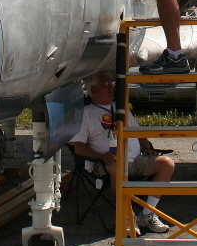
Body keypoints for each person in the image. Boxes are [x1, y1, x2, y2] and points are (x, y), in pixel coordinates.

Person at [69, 74, 175, 234]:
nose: (111, 88)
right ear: (93, 90)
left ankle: (147, 214)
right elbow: (78, 147)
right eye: (105, 84)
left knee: (167, 164)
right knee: (117, 165)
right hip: (106, 162)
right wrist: (100, 156)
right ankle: (126, 218)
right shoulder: (85, 113)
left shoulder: (121, 109)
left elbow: (140, 134)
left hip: (135, 160)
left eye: (111, 84)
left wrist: (146, 148)